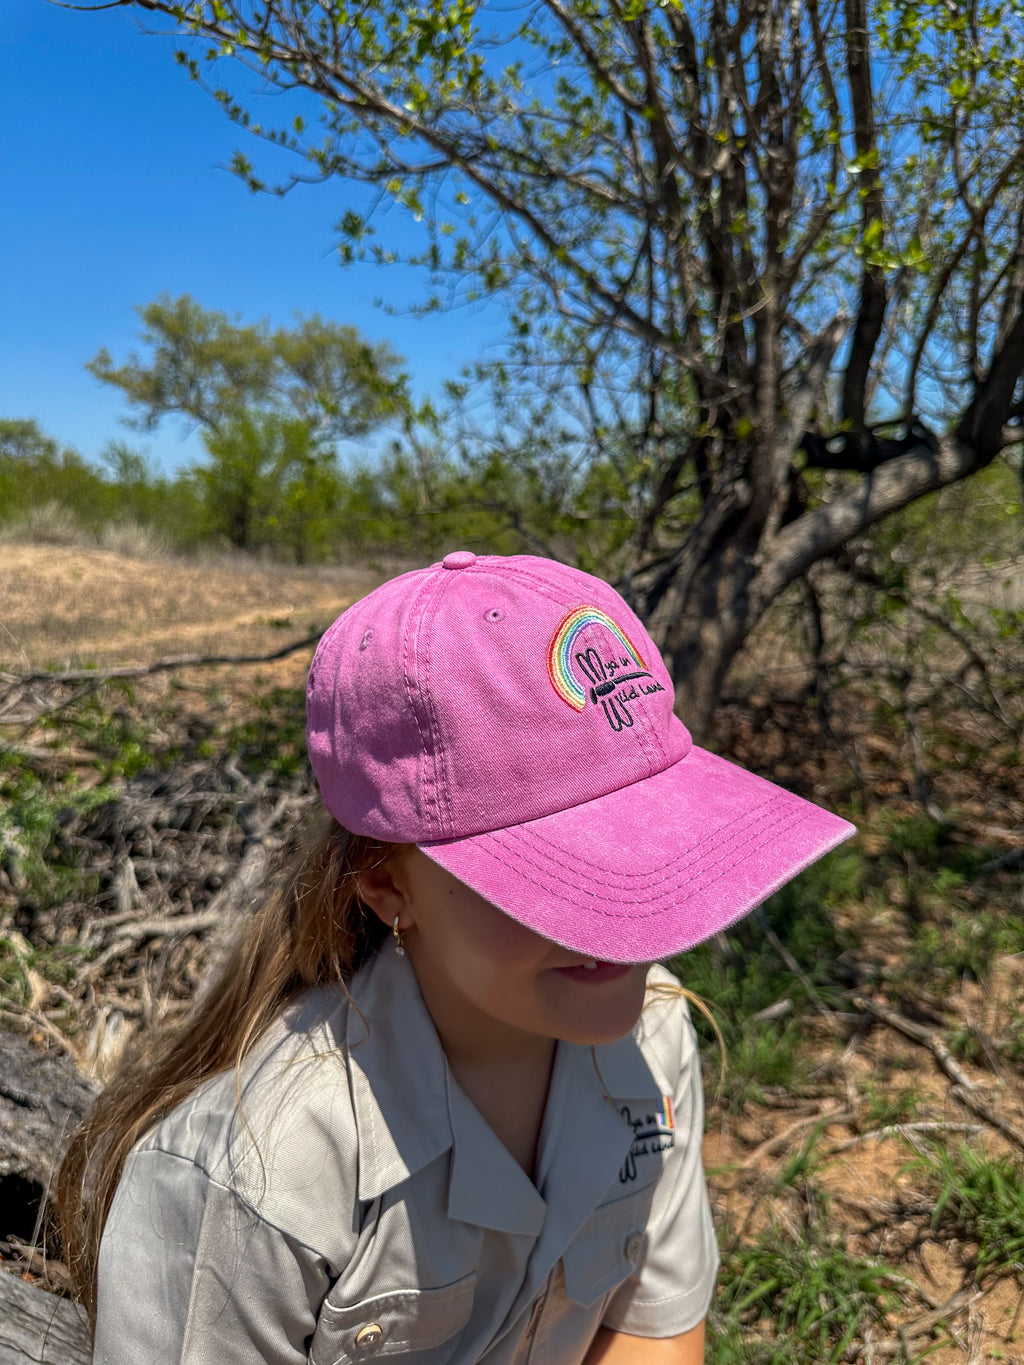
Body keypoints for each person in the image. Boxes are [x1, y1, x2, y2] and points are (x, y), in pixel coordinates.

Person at [56, 551, 855, 1364]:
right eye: (558, 875)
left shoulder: (652, 1031)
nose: (622, 925)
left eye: (645, 845)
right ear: (383, 884)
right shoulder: (255, 1179)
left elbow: (650, 1329)